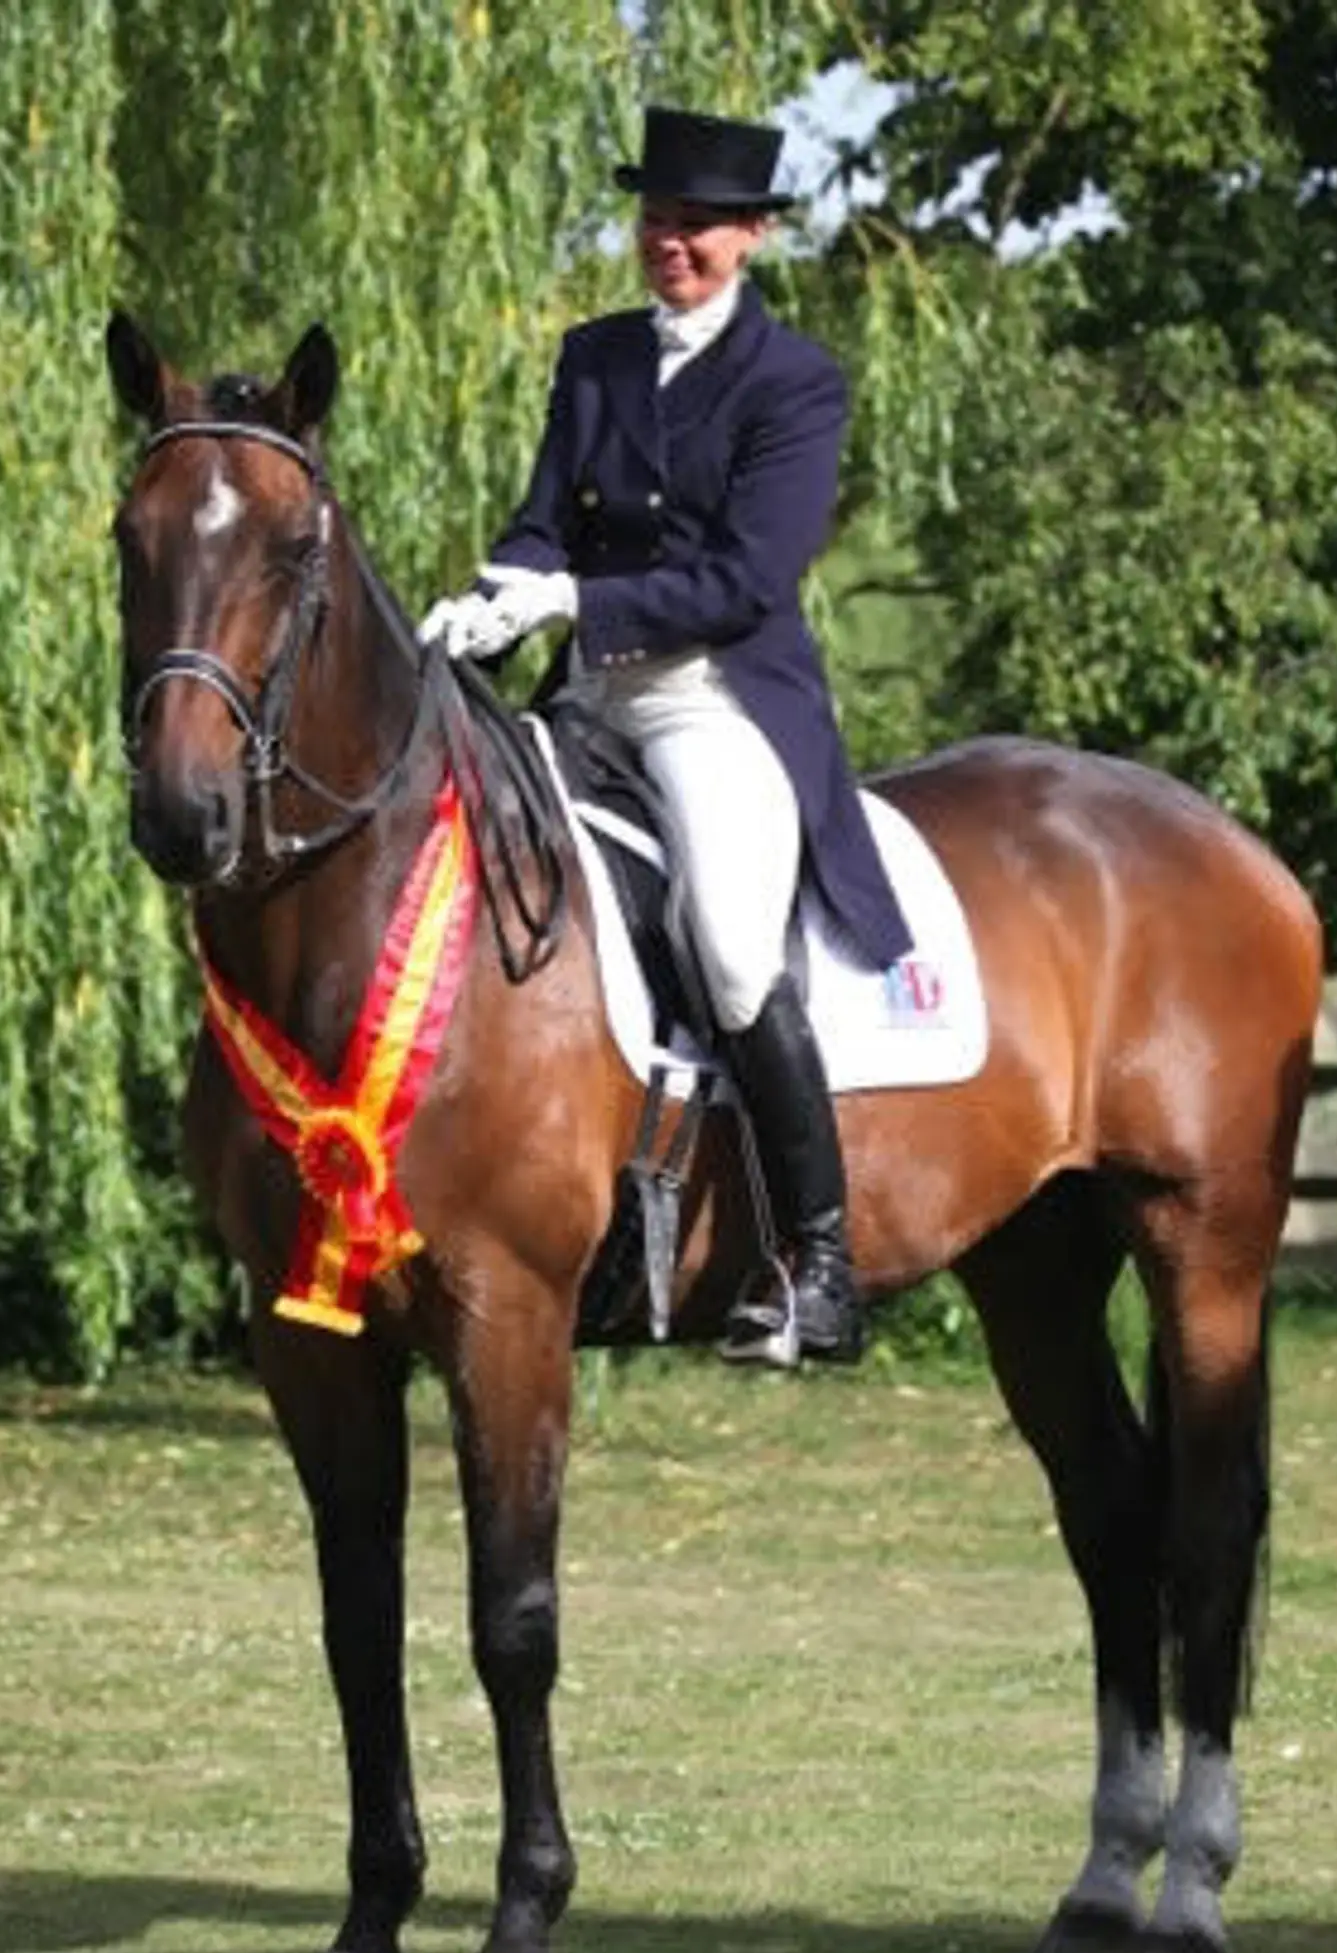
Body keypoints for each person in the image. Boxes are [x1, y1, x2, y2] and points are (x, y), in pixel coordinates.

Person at [419, 103, 911, 1366]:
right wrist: (491, 602)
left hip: (716, 698)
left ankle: (816, 1263)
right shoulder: (593, 358)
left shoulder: (792, 383)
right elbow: (542, 522)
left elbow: (749, 580)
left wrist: (576, 597)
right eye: (653, 220)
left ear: (750, 236)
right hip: (587, 697)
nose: (668, 243)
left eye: (695, 225)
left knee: (730, 948)